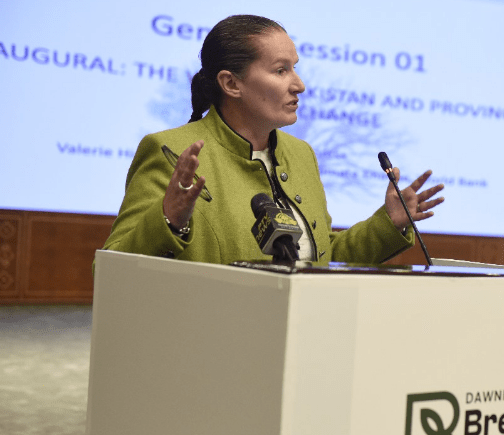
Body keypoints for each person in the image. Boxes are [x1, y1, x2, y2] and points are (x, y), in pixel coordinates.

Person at [102, 15, 444, 265]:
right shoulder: (170, 152)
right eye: (281, 70)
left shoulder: (301, 154)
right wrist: (168, 220)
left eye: (294, 68)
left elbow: (320, 261)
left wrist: (389, 223)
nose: (299, 84)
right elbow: (111, 265)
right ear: (231, 84)